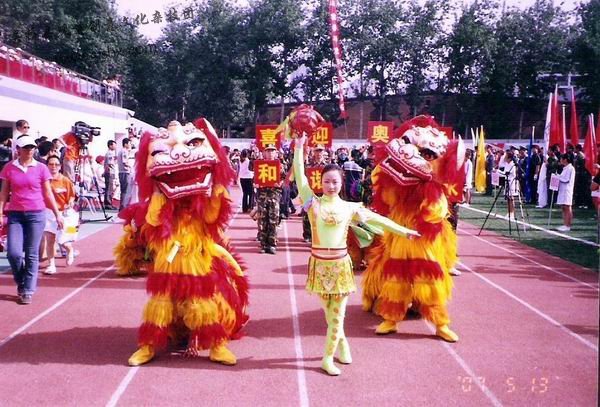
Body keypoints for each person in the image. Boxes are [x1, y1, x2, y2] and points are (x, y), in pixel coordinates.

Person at [293, 133, 418, 376]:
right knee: (329, 313)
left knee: (338, 314)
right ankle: (342, 343)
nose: (331, 185)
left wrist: (404, 231)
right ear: (320, 182)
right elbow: (299, 173)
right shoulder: (313, 203)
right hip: (319, 265)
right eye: (327, 181)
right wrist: (299, 148)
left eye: (335, 182)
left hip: (340, 266)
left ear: (341, 183)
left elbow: (378, 219)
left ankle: (327, 358)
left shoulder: (350, 208)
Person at [0, 135, 64, 304]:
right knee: (13, 253)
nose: (29, 150)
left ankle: (27, 289)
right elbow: (4, 193)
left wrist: (57, 213)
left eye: (31, 147)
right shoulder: (9, 168)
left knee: (31, 253)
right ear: (18, 150)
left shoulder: (41, 168)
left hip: (36, 214)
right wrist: (0, 213)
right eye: (25, 147)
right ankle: (21, 280)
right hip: (16, 215)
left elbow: (48, 193)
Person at [42, 155, 76, 274]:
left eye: (56, 164)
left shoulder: (65, 180)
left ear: (60, 166)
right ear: (47, 166)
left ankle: (70, 250)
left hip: (64, 214)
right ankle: (51, 265)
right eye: (51, 164)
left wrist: (71, 201)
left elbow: (72, 195)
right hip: (48, 213)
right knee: (50, 239)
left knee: (63, 240)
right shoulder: (44, 180)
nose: (54, 167)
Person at [255, 144, 284, 254]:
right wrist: (256, 184)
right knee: (262, 220)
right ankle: (263, 244)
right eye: (268, 151)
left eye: (272, 151)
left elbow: (284, 179)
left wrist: (279, 184)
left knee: (273, 220)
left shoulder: (280, 165)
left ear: (276, 152)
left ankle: (272, 244)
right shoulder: (259, 164)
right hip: (262, 195)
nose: (270, 153)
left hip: (274, 195)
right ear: (264, 153)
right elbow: (256, 179)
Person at [556, 153, 576, 232]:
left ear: (565, 160)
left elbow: (566, 179)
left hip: (567, 190)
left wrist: (558, 177)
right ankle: (565, 224)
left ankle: (568, 225)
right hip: (562, 189)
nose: (560, 160)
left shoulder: (570, 168)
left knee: (567, 207)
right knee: (563, 207)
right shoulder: (565, 168)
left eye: (561, 159)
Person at [118, 137, 133, 211]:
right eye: (129, 143)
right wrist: (131, 167)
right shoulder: (124, 151)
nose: (130, 145)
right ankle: (123, 207)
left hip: (123, 172)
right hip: (125, 172)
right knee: (125, 190)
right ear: (126, 144)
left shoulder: (123, 151)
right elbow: (125, 162)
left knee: (124, 190)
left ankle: (123, 206)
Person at [104, 140, 118, 209]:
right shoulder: (110, 153)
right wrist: (115, 161)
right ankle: (108, 203)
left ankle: (108, 203)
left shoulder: (111, 153)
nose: (115, 146)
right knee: (109, 188)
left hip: (110, 172)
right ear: (110, 146)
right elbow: (110, 163)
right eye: (114, 145)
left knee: (110, 188)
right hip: (109, 172)